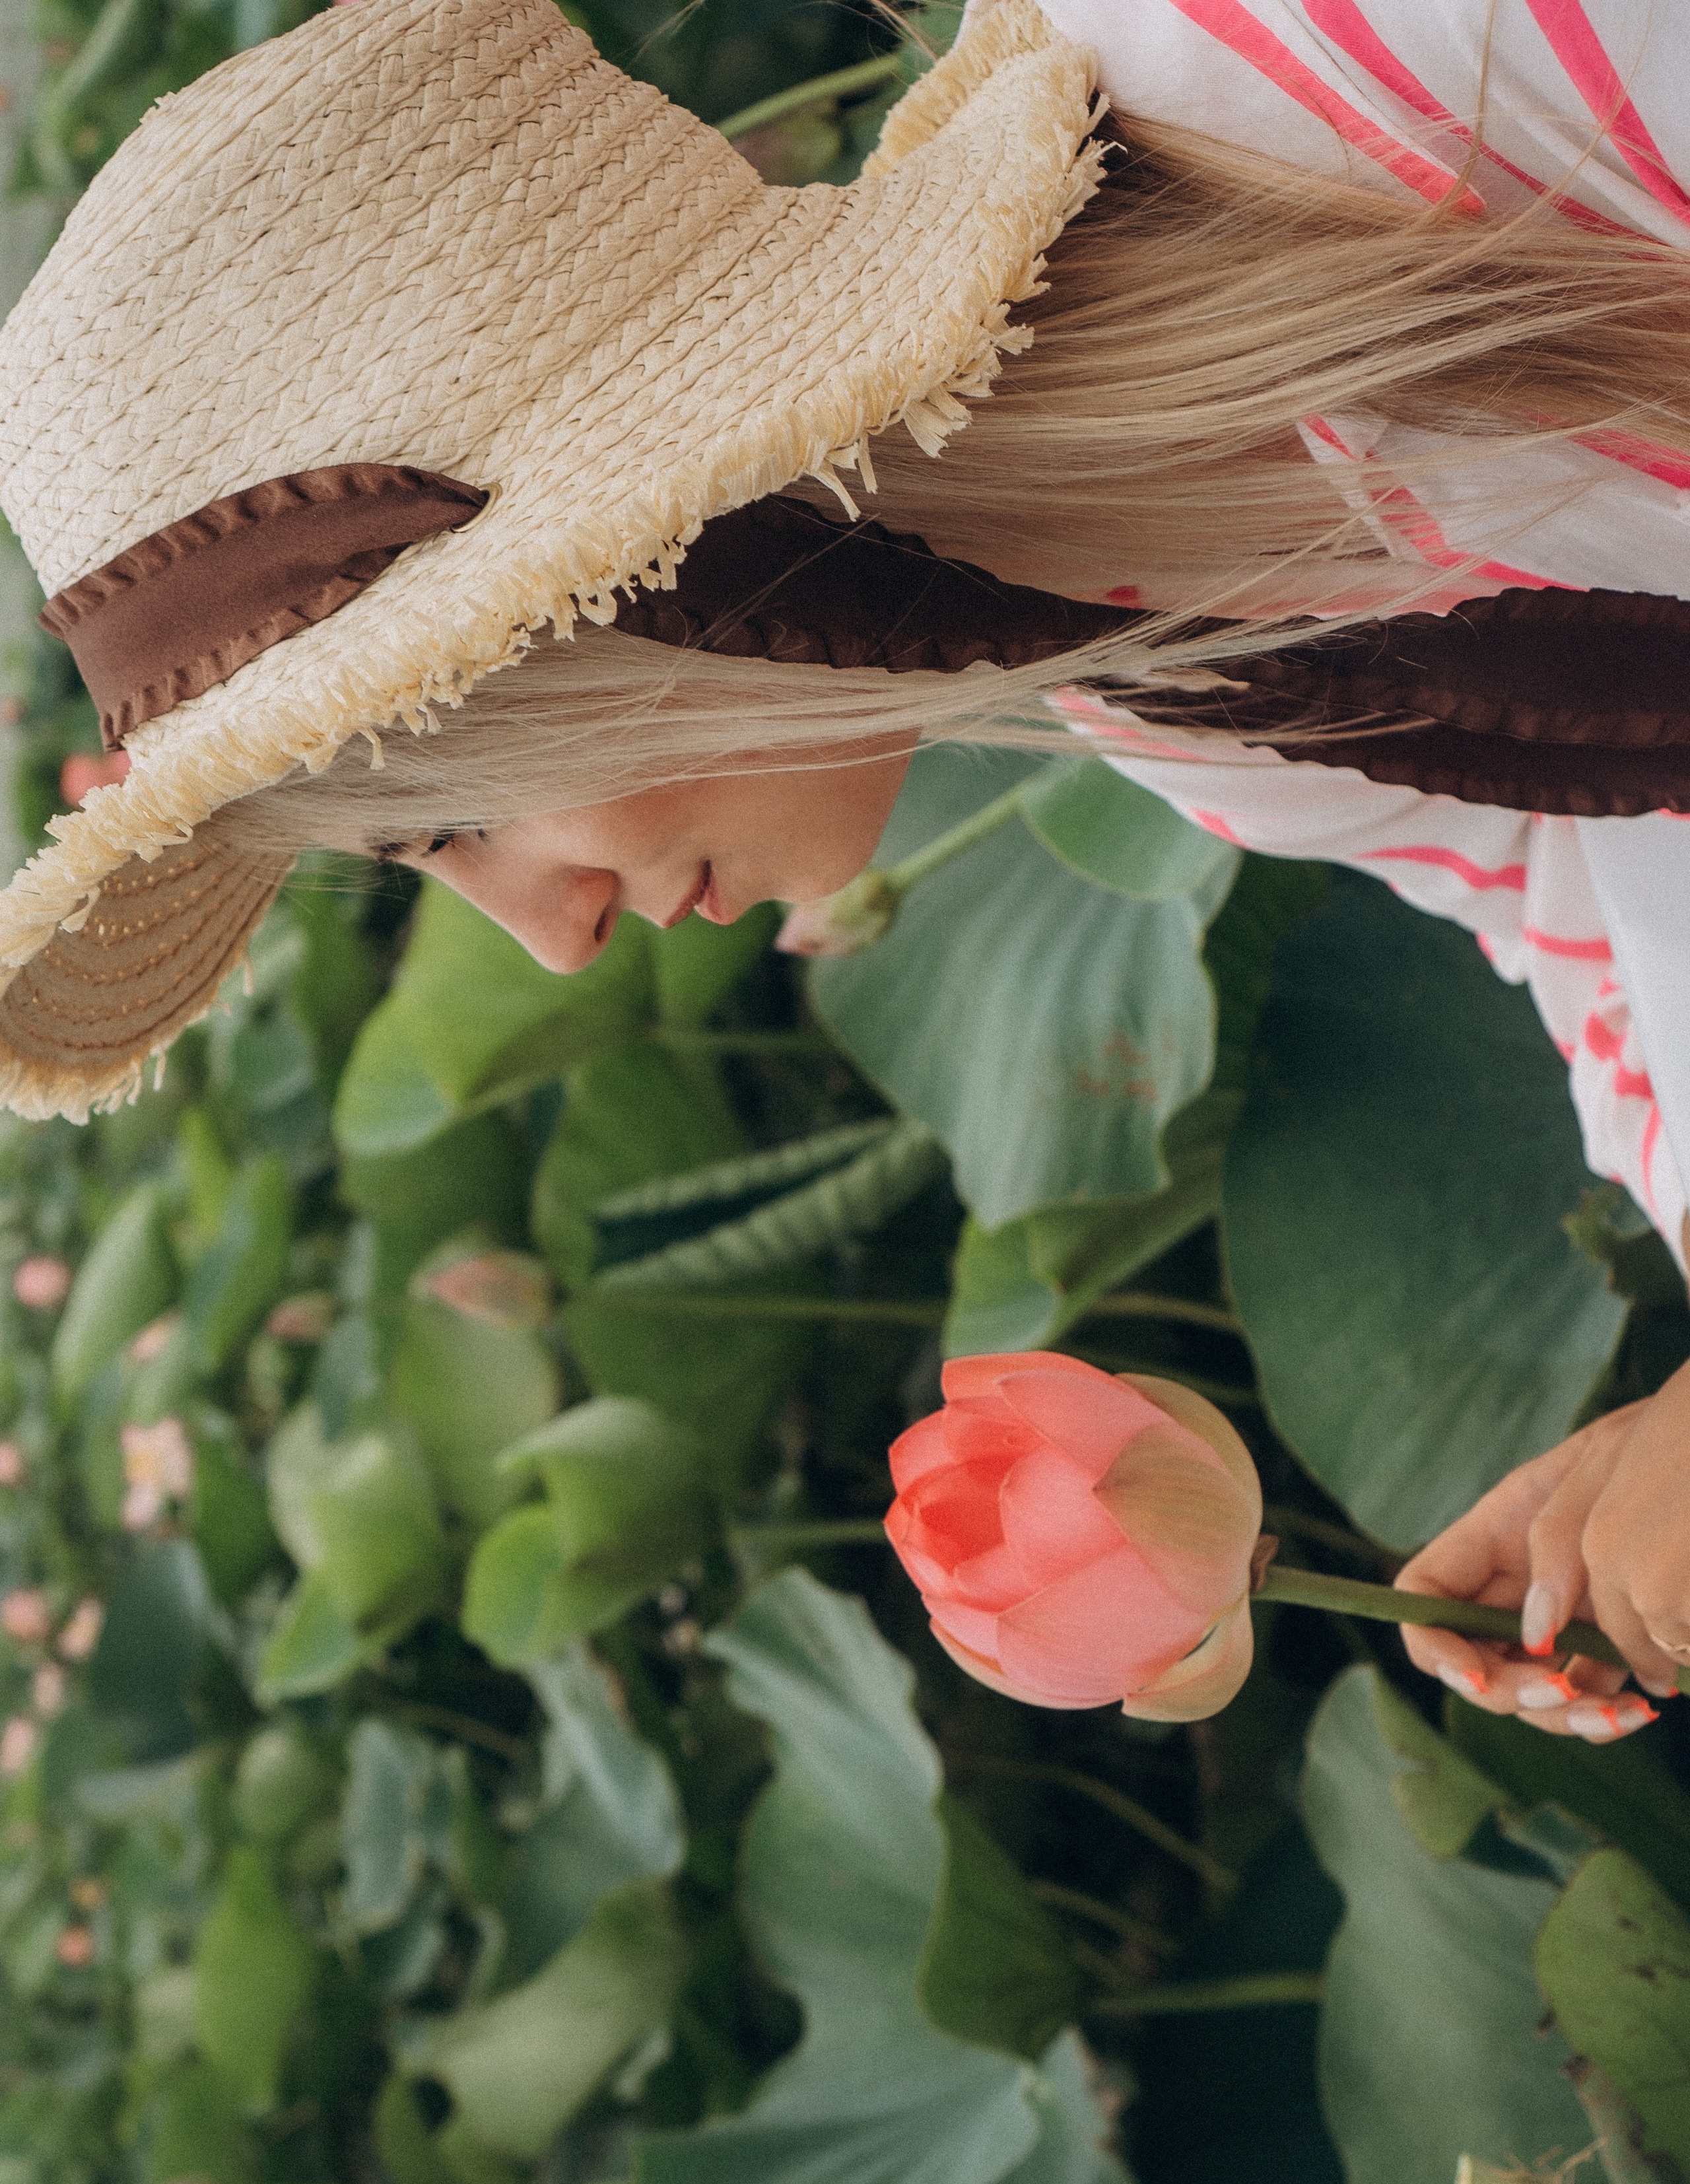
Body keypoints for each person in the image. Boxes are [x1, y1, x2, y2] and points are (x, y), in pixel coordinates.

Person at [1, 0, 1687, 1738]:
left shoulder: (1299, 48)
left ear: (610, 585)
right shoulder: (1155, 696)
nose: (560, 945)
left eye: (458, 822)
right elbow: (1586, 899)